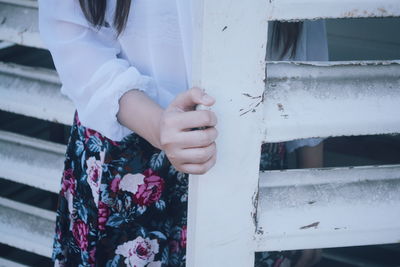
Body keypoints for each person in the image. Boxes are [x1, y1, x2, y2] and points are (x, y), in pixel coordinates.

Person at [39, 1, 327, 266]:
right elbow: (71, 32)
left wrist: (310, 204)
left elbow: (305, 54)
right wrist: (157, 124)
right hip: (126, 154)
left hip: (251, 157)